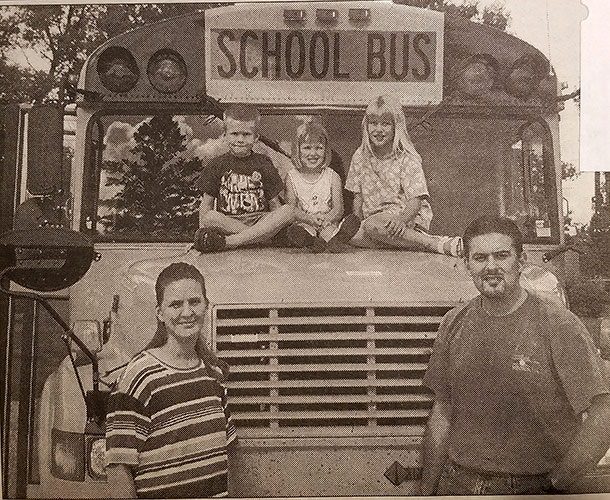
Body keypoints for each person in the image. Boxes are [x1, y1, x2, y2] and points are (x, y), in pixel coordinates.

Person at [421, 215, 610, 495]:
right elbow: (443, 412)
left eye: (501, 256)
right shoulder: (453, 323)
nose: (491, 267)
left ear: (520, 262)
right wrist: (426, 491)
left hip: (530, 488)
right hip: (458, 484)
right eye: (480, 258)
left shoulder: (558, 324)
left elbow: (603, 413)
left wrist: (555, 484)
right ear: (467, 265)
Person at [105, 263, 236, 498]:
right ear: (160, 313)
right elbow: (117, 469)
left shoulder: (213, 374)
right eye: (176, 304)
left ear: (206, 305)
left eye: (194, 302)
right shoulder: (139, 377)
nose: (187, 313)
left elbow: (227, 452)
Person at [345, 95, 461, 256]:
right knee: (350, 236)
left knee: (373, 226)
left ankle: (433, 243)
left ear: (396, 127)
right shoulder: (360, 155)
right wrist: (356, 224)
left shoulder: (406, 157)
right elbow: (358, 198)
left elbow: (416, 200)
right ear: (366, 126)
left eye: (385, 124)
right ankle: (408, 243)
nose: (378, 129)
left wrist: (401, 220)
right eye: (373, 123)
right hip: (375, 223)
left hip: (406, 218)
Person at [194, 104, 298, 252]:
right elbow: (206, 205)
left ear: (256, 138)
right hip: (229, 223)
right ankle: (260, 239)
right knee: (210, 217)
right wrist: (200, 236)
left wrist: (275, 223)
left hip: (261, 220)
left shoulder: (263, 162)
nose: (240, 139)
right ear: (224, 135)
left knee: (287, 210)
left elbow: (274, 203)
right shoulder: (216, 164)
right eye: (234, 134)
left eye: (246, 134)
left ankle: (230, 242)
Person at [284, 121, 361, 253]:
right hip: (306, 222)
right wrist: (310, 220)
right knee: (299, 231)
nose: (313, 153)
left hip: (328, 221)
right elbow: (292, 209)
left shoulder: (333, 176)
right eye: (307, 148)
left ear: (326, 150)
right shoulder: (291, 177)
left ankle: (338, 238)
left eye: (319, 148)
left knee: (330, 232)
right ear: (297, 150)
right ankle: (311, 242)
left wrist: (326, 220)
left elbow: (338, 208)